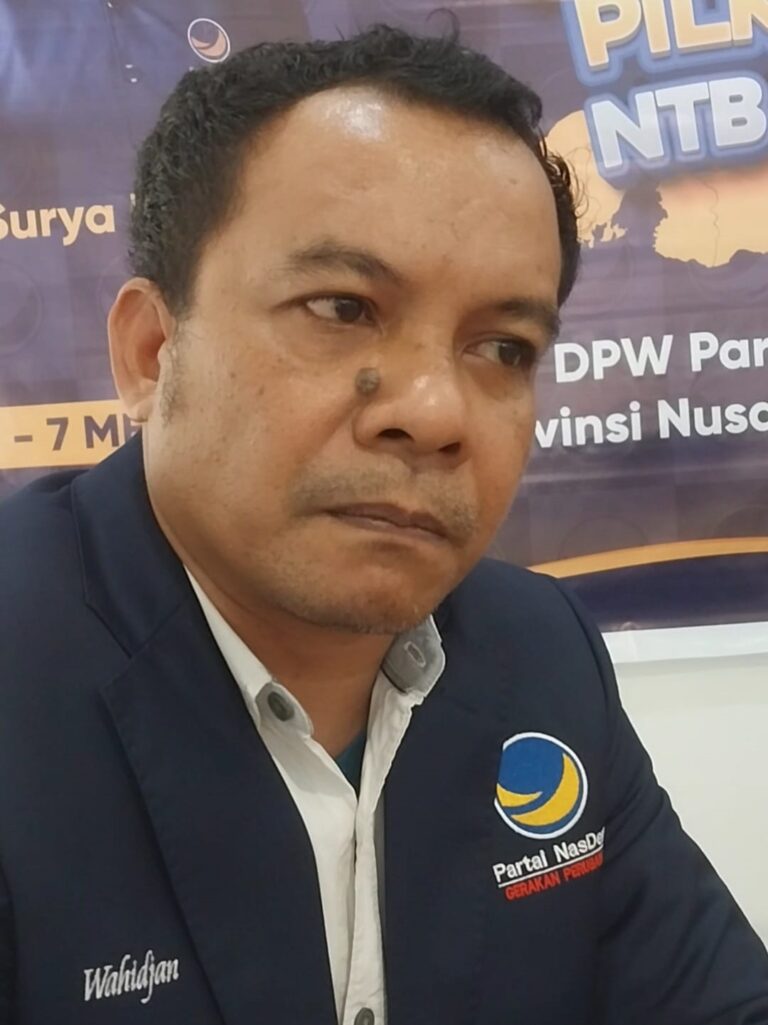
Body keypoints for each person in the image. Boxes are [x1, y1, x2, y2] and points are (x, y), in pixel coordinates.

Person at [0, 23, 766, 1025]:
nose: (436, 412)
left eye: (503, 346)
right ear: (151, 353)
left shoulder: (540, 653)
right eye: (343, 308)